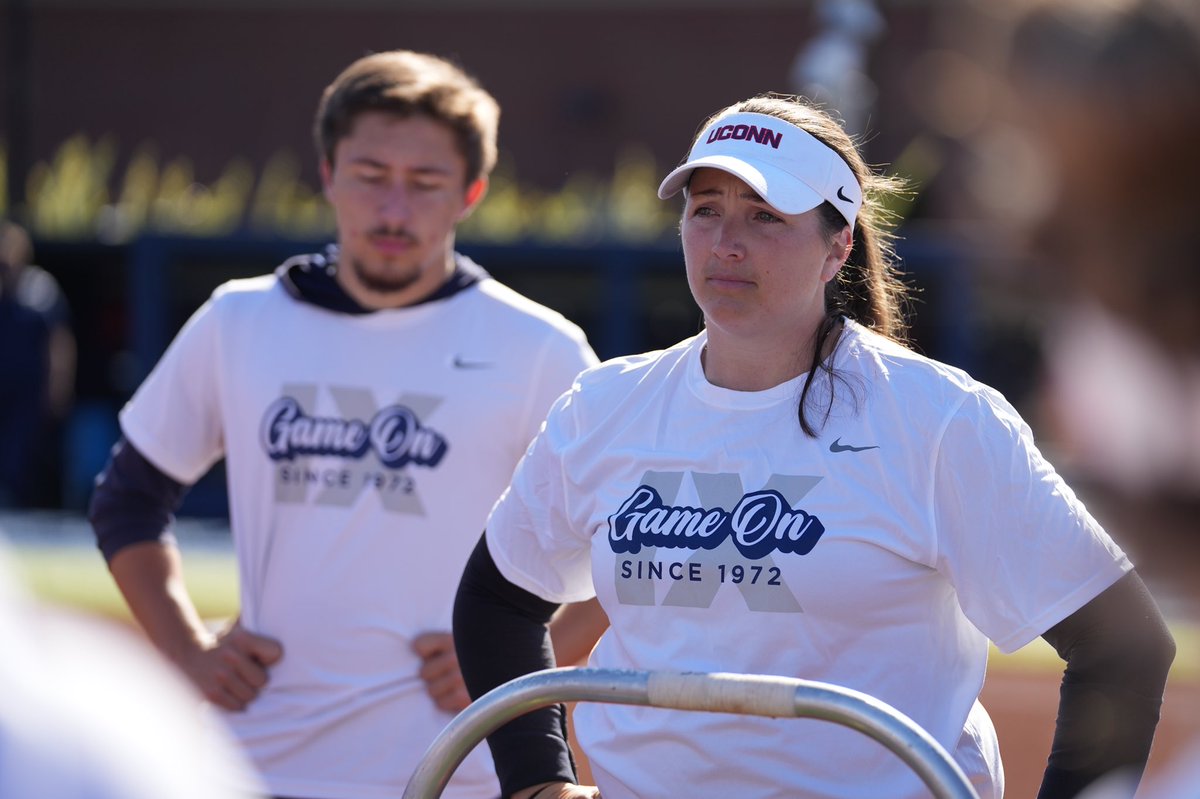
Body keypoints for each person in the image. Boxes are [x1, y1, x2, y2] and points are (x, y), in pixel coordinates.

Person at [453, 94, 1176, 799]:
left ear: (838, 247)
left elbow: (1125, 647)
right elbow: (496, 599)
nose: (727, 242)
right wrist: (537, 778)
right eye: (706, 210)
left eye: (765, 216)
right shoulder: (605, 407)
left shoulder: (938, 420)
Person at [88, 50, 600, 799]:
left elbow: (642, 540)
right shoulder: (241, 319)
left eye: (425, 183)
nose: (394, 209)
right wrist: (186, 648)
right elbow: (126, 496)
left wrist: (530, 655)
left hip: (459, 766)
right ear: (328, 174)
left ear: (471, 191)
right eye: (370, 176)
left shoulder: (538, 348)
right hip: (256, 759)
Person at [0, 219, 75, 508]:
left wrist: (59, 386)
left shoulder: (40, 289)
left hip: (28, 392)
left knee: (23, 453)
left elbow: (59, 341)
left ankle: (20, 504)